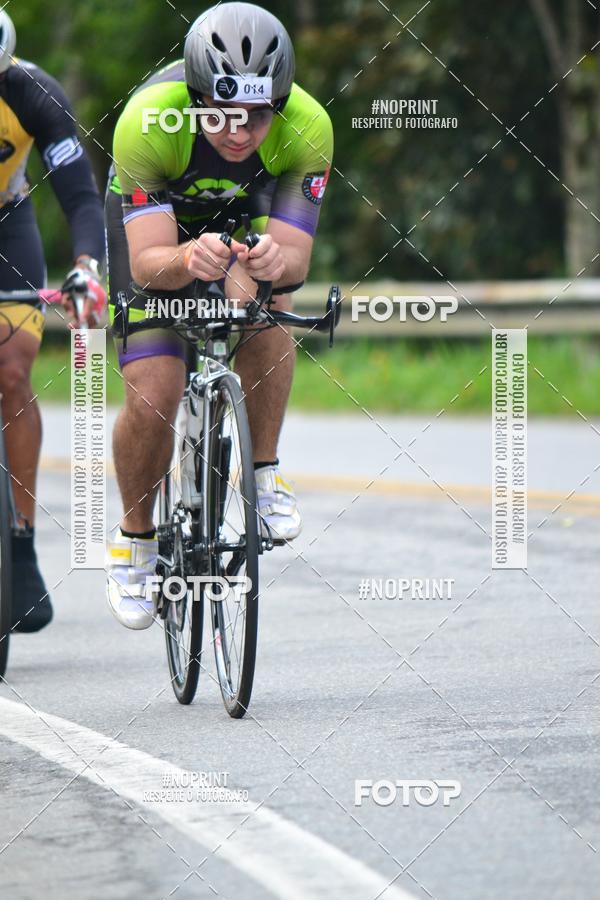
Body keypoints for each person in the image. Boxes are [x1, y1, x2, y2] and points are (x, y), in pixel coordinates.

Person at [105, 2, 333, 629]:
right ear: (195, 93)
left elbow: (294, 260)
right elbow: (150, 262)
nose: (238, 131)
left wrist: (264, 261)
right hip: (160, 231)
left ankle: (263, 476)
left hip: (247, 215)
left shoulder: (308, 127)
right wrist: (186, 256)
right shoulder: (148, 122)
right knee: (156, 387)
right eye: (222, 112)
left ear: (279, 104)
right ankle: (136, 540)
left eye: (257, 115)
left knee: (270, 305)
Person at [0, 11, 106, 632]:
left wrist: (87, 267)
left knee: (12, 371)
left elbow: (81, 196)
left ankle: (19, 540)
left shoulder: (33, 92)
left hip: (8, 223)